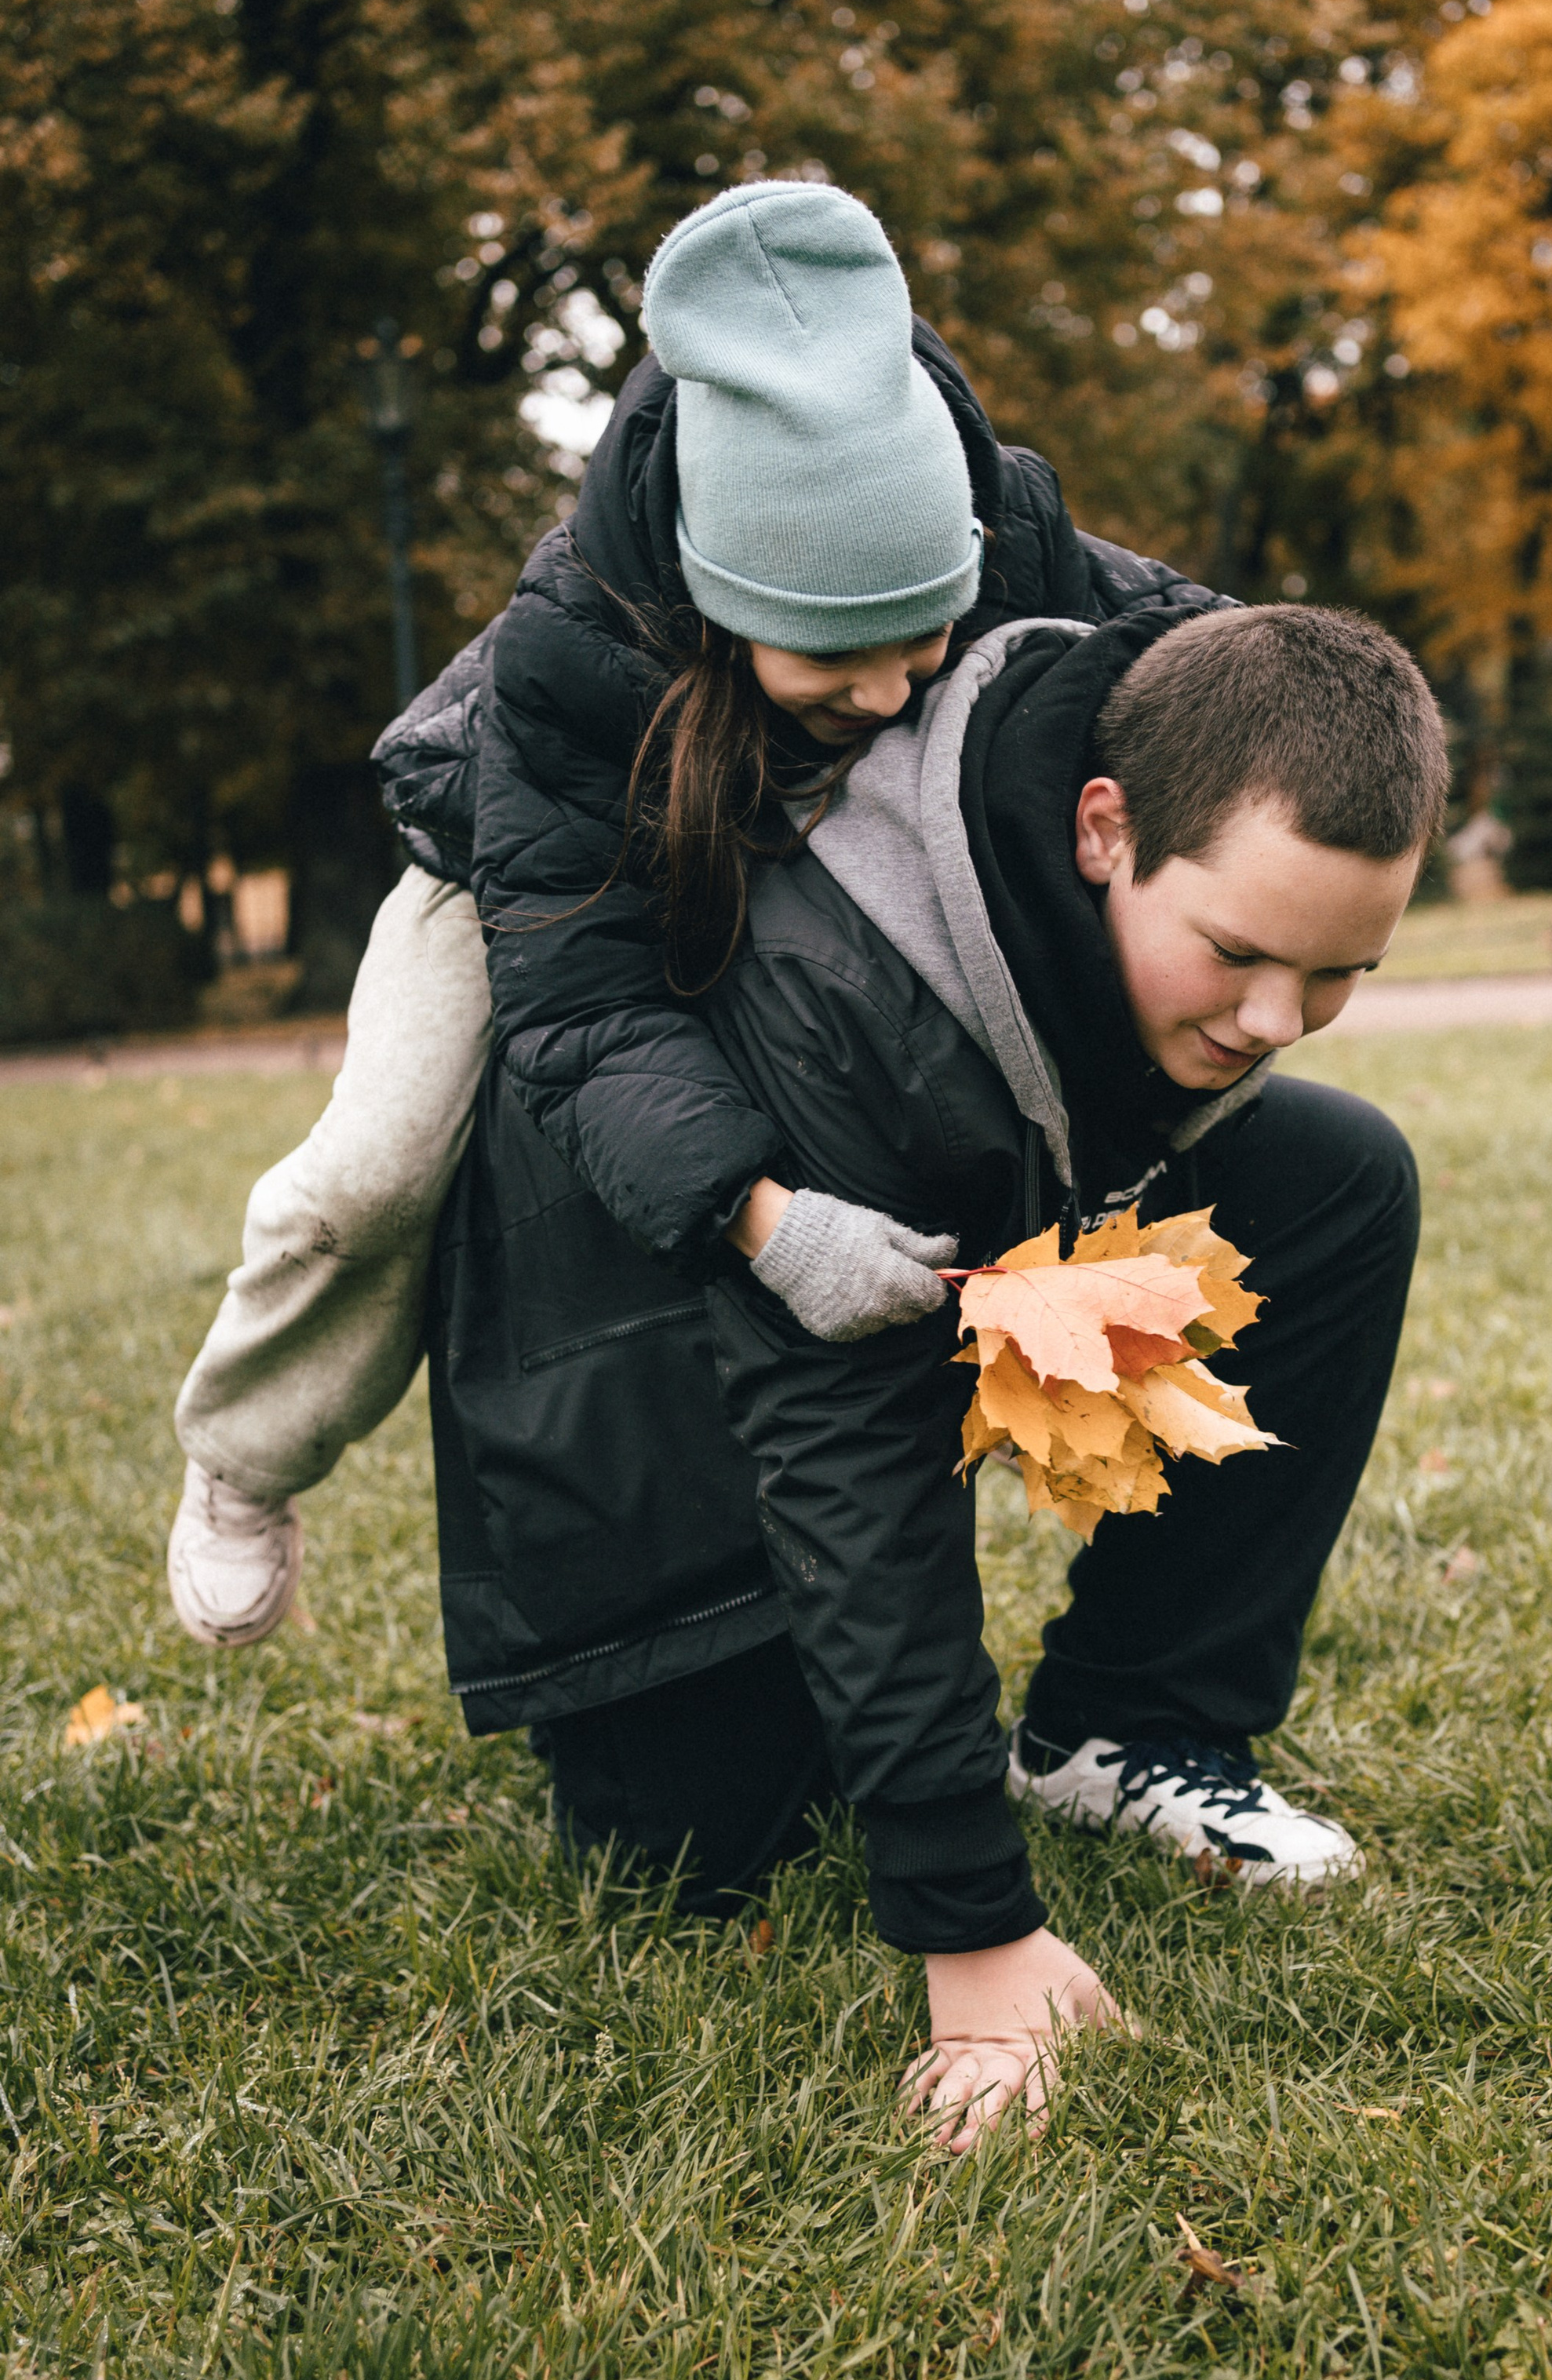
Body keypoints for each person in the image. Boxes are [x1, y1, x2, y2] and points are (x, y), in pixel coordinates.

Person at [433, 597, 1444, 2148]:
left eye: (1331, 976)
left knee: (1332, 1172)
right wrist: (973, 1942)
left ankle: (1130, 1728)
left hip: (909, 1255)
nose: (1270, 1021)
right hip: (636, 1435)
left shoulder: (1100, 715)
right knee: (716, 1851)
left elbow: (1206, 639)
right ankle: (696, 1713)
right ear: (1101, 832)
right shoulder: (850, 987)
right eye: (1238, 955)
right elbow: (846, 1463)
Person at [166, 176, 1211, 1643]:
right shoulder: (571, 649)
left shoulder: (985, 511)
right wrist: (762, 1221)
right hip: (521, 866)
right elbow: (583, 1008)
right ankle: (240, 1458)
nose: (890, 693)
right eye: (831, 660)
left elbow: (1190, 656)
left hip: (800, 859)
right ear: (724, 608)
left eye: (922, 637)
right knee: (373, 1176)